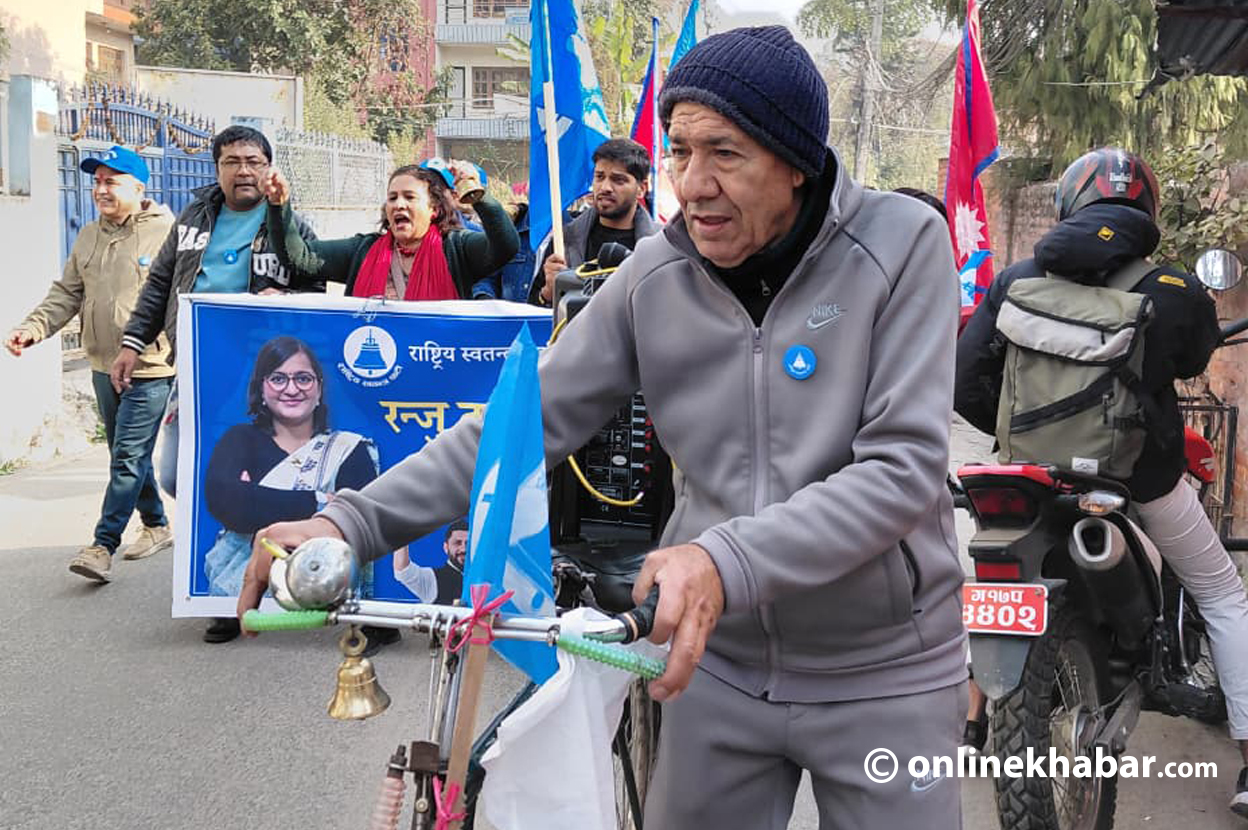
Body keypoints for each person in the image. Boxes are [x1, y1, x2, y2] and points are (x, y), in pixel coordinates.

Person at [241, 26, 968, 830]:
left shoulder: (901, 246)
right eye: (680, 151)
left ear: (795, 160)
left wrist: (723, 559)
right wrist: (349, 520)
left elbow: (900, 470)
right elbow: (521, 425)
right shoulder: (655, 278)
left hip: (885, 669)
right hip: (712, 659)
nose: (693, 185)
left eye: (725, 153)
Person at [955, 146, 1248, 818]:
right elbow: (1194, 359)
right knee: (1223, 594)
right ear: (1146, 209)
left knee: (1001, 580)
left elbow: (965, 380)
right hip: (1139, 480)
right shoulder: (1172, 288)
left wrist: (1024, 433)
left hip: (1028, 475)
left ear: (1068, 203)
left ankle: (972, 723)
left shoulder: (1016, 280)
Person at [113, 124, 323, 643]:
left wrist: (286, 299)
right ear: (217, 169)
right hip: (199, 369)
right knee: (177, 473)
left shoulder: (289, 220)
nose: (243, 170)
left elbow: (316, 285)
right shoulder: (193, 219)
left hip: (266, 381)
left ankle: (234, 594)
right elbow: (161, 284)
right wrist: (133, 342)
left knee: (256, 479)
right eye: (232, 161)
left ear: (269, 168)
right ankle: (229, 571)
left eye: (253, 161)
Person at [5, 146, 175, 583]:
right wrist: (33, 328)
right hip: (102, 364)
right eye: (97, 182)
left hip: (151, 366)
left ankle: (102, 545)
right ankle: (156, 525)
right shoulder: (89, 236)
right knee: (127, 454)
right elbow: (67, 293)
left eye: (110, 182)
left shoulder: (165, 233)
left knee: (127, 456)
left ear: (138, 188)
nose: (100, 190)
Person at [202, 336, 395, 650]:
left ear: (319, 388)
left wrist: (258, 496)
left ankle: (370, 620)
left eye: (303, 378)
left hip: (324, 568)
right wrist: (318, 500)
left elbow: (357, 515)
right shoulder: (239, 439)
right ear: (261, 388)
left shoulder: (347, 448)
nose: (291, 389)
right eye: (278, 379)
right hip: (240, 570)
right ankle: (230, 609)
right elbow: (227, 503)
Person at [263, 161, 519, 301]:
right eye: (392, 197)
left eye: (409, 197)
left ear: (433, 209)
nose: (399, 205)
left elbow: (506, 246)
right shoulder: (362, 251)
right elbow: (299, 258)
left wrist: (476, 194)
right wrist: (279, 205)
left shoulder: (457, 248)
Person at [530, 137, 660, 305]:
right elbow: (533, 309)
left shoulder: (662, 246)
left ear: (641, 189)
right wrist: (548, 293)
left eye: (618, 180)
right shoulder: (565, 241)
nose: (605, 187)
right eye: (599, 177)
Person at [393, 518, 468, 604]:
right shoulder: (433, 579)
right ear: (446, 547)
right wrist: (402, 529)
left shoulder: (480, 577)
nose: (463, 549)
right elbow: (403, 571)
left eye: (468, 543)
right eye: (457, 543)